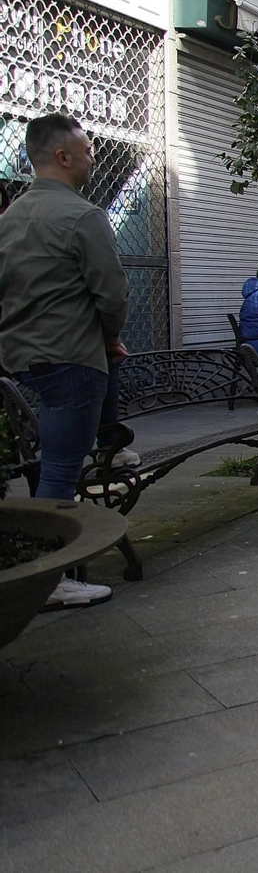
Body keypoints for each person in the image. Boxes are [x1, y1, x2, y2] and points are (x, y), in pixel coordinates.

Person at [0, 113, 128, 610]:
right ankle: (45, 576)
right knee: (59, 470)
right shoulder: (83, 216)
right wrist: (110, 338)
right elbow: (111, 293)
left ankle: (37, 566)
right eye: (89, 149)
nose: (94, 157)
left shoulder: (10, 219)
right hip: (72, 357)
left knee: (47, 464)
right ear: (62, 156)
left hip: (24, 359)